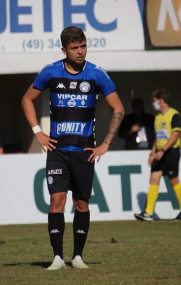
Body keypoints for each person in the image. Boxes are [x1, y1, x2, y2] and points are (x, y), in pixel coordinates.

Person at [22, 26, 124, 270]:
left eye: (83, 46)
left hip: (84, 152)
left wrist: (105, 144)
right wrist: (38, 132)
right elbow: (27, 99)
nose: (80, 52)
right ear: (64, 50)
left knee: (81, 204)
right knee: (57, 201)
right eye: (75, 48)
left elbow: (118, 109)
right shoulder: (50, 72)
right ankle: (57, 257)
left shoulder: (97, 74)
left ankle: (77, 257)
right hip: (57, 151)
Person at [134, 89, 181, 222]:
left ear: (161, 100)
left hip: (170, 152)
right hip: (158, 153)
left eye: (155, 101)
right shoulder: (158, 117)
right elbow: (157, 137)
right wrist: (152, 153)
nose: (154, 104)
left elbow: (175, 136)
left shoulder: (174, 115)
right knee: (153, 179)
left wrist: (162, 150)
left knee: (173, 180)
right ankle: (148, 213)